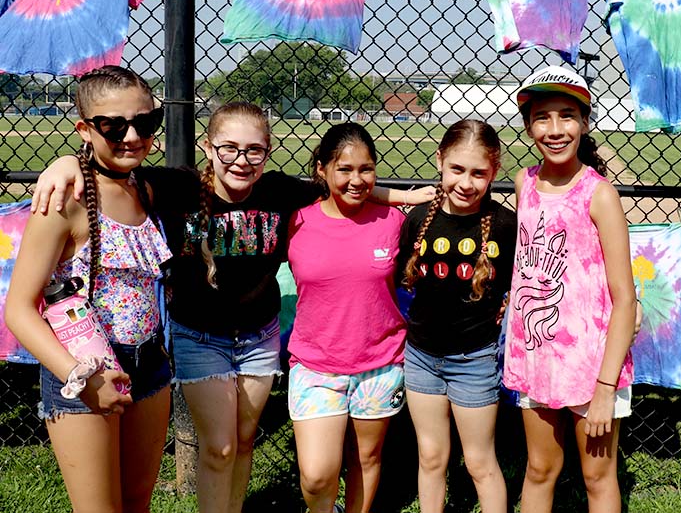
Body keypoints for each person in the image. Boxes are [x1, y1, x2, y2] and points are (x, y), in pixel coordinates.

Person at [31, 104, 433, 513]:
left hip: (259, 336)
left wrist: (407, 196)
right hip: (200, 336)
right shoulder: (180, 187)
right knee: (220, 448)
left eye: (253, 151)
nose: (241, 161)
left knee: (243, 441)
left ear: (268, 151)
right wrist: (67, 162)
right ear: (207, 148)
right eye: (229, 149)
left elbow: (347, 183)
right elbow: (114, 173)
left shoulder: (278, 191)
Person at [6, 66, 173, 512]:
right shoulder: (64, 201)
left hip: (150, 363)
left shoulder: (147, 187)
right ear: (84, 128)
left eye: (146, 122)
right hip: (82, 369)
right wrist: (81, 377)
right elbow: (19, 309)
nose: (132, 136)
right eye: (113, 125)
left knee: (138, 502)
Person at [503, 65, 636, 513]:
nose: (555, 129)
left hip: (593, 366)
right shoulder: (524, 183)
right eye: (543, 117)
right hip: (537, 357)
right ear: (527, 126)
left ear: (584, 122)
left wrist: (604, 387)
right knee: (539, 469)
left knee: (597, 476)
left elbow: (624, 299)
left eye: (567, 116)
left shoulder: (599, 196)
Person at [286, 123, 408, 513]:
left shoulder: (393, 221)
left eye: (366, 169)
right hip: (316, 365)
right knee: (317, 475)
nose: (357, 180)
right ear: (321, 169)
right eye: (345, 169)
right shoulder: (297, 220)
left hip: (381, 363)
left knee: (366, 459)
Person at [398, 120, 515, 512]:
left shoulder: (504, 224)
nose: (466, 182)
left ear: (494, 171)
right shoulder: (417, 220)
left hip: (475, 360)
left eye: (479, 173)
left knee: (480, 462)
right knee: (431, 458)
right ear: (440, 162)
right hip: (421, 358)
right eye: (457, 170)